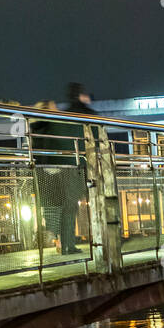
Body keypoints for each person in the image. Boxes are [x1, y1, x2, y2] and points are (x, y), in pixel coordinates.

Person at [31, 84, 96, 254]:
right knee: (69, 207)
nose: (57, 107)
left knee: (61, 208)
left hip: (52, 170)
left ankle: (64, 243)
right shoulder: (60, 121)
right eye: (53, 106)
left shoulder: (42, 124)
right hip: (70, 167)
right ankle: (67, 245)